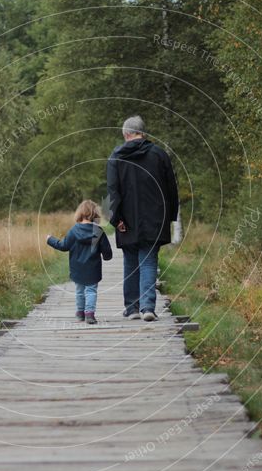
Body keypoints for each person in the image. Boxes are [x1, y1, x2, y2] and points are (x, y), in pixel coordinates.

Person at [107, 115, 179, 321]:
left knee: (130, 262)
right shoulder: (159, 155)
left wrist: (116, 218)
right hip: (155, 218)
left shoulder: (116, 157)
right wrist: (171, 215)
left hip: (127, 219)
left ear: (125, 134)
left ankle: (131, 309)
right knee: (148, 261)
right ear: (143, 133)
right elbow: (171, 188)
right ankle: (147, 308)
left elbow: (114, 191)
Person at [46, 199, 112, 325]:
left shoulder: (74, 231)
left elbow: (63, 246)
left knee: (80, 291)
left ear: (80, 213)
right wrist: (107, 256)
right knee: (91, 290)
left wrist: (50, 240)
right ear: (94, 214)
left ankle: (80, 313)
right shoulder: (98, 231)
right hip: (93, 268)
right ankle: (90, 314)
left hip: (77, 268)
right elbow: (107, 251)